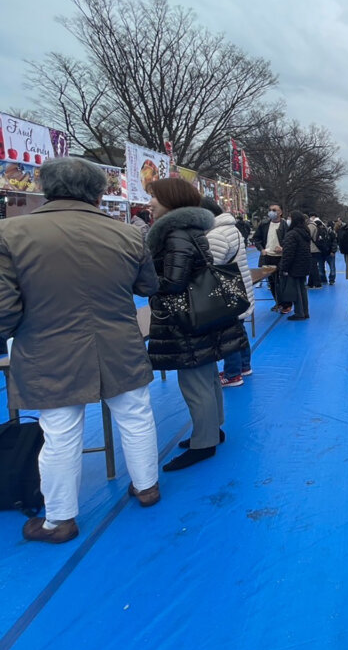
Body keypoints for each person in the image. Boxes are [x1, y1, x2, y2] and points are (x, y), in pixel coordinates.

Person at [0, 158, 161, 543]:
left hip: (47, 347)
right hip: (119, 340)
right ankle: (148, 486)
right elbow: (146, 287)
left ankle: (59, 519)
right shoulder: (127, 234)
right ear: (97, 191)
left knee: (58, 431)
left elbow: (5, 309)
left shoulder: (10, 233)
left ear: (46, 186)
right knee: (136, 415)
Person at [147, 178, 246, 472]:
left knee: (194, 380)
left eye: (155, 198)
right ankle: (213, 429)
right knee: (206, 375)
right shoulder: (191, 231)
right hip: (199, 314)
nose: (150, 203)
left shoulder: (174, 235)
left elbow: (174, 283)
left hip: (184, 319)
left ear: (170, 201)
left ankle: (204, 442)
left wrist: (146, 282)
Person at [200, 197, 255, 386]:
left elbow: (211, 266)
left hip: (226, 290)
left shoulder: (215, 235)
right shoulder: (232, 229)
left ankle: (233, 373)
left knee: (228, 334)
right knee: (239, 329)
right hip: (239, 286)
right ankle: (244, 366)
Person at [253, 204, 289, 312]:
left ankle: (287, 304)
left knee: (283, 281)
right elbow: (256, 238)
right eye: (270, 210)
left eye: (274, 210)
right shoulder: (264, 225)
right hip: (268, 257)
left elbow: (290, 241)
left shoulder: (285, 226)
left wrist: (283, 248)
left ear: (280, 212)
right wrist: (261, 249)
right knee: (272, 282)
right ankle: (278, 302)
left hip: (281, 258)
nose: (271, 212)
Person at [278, 211, 312, 321]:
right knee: (302, 290)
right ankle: (305, 312)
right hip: (303, 265)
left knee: (296, 291)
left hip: (294, 266)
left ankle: (299, 313)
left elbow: (288, 253)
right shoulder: (305, 232)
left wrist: (284, 267)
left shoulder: (291, 234)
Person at [306, 213, 323, 289]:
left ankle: (317, 283)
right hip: (315, 248)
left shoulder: (310, 226)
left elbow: (307, 236)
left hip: (312, 249)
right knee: (313, 266)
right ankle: (311, 283)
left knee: (313, 267)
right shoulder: (314, 225)